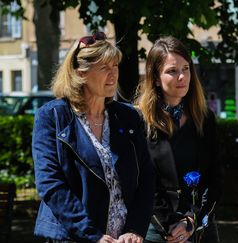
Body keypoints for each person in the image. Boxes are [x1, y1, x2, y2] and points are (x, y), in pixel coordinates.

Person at [32, 31, 155, 243]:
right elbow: (50, 185)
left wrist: (135, 229)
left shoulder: (128, 117)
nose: (113, 73)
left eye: (115, 66)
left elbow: (146, 177)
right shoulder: (52, 116)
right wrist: (92, 235)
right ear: (80, 73)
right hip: (72, 237)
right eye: (104, 67)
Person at [136, 36, 223, 243]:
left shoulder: (204, 118)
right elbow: (142, 182)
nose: (182, 77)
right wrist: (171, 224)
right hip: (157, 229)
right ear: (156, 78)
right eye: (172, 71)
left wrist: (192, 220)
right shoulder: (140, 121)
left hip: (199, 227)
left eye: (185, 69)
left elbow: (215, 175)